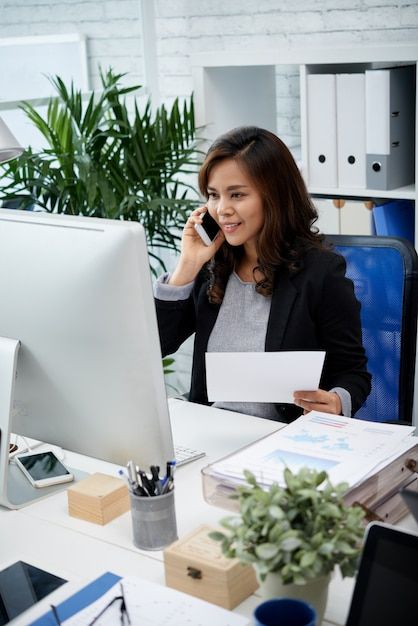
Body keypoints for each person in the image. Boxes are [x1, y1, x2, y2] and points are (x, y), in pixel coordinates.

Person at [155, 126, 371, 422]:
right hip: (212, 431)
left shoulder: (320, 272)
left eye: (237, 195)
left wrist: (336, 401)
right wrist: (187, 266)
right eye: (214, 195)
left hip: (280, 439)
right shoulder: (212, 267)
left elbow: (353, 372)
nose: (222, 210)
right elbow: (157, 345)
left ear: (275, 196)